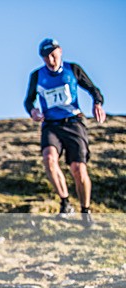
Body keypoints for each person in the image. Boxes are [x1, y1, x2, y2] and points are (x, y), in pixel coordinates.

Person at [24, 38, 106, 227]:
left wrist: (97, 103)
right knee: (49, 159)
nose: (50, 60)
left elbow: (93, 89)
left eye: (53, 55)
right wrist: (33, 111)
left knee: (78, 169)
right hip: (51, 125)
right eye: (46, 58)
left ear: (60, 51)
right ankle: (65, 202)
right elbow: (29, 100)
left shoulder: (73, 69)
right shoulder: (37, 75)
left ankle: (85, 210)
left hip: (74, 123)